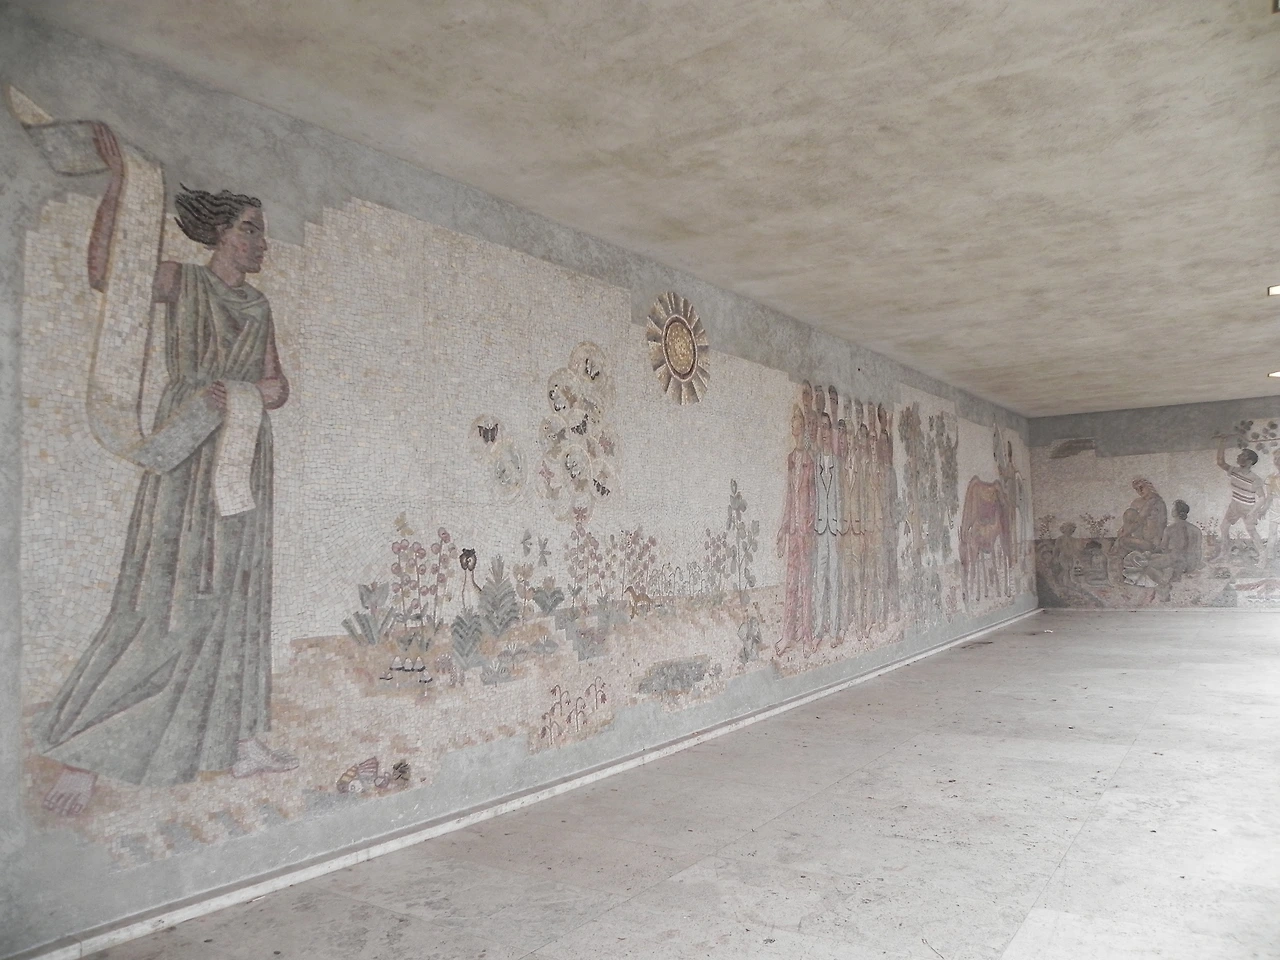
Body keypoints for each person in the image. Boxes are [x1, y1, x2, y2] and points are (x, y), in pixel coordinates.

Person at [41, 123, 294, 818]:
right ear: (219, 234)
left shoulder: (259, 305)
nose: (261, 243)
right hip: (191, 444)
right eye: (250, 230)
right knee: (170, 589)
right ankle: (86, 751)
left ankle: (240, 738)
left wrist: (252, 394)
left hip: (245, 451)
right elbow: (107, 272)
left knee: (239, 590)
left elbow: (277, 386)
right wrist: (118, 188)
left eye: (262, 232)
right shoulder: (184, 282)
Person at [777, 406, 815, 655]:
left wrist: (810, 525)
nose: (794, 427)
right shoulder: (791, 458)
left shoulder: (810, 459)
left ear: (803, 427)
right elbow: (789, 496)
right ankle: (787, 635)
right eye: (792, 423)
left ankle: (807, 636)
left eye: (797, 423)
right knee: (791, 581)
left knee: (806, 583)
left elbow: (814, 495)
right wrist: (783, 528)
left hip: (807, 530)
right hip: (793, 529)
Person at [812, 414, 842, 646]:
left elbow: (840, 497)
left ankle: (834, 629)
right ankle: (818, 628)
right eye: (821, 427)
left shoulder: (837, 464)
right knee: (819, 579)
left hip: (834, 529)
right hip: (819, 528)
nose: (823, 432)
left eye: (827, 427)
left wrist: (840, 528)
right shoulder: (814, 463)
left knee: (834, 577)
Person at [1211, 436, 1265, 559]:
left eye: (1242, 455)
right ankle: (1224, 554)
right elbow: (1220, 462)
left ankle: (1263, 556)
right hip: (1234, 506)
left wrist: (1252, 512)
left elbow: (1262, 498)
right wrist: (1222, 442)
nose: (1238, 456)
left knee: (1251, 531)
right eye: (1240, 454)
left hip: (1248, 507)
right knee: (1224, 527)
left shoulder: (1255, 478)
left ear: (1249, 462)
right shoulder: (1234, 471)